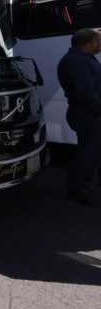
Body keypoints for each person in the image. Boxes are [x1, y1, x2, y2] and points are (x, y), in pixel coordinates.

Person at [57, 28, 101, 206]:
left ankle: (82, 185)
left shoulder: (82, 58)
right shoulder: (76, 61)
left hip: (90, 112)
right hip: (87, 114)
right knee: (88, 153)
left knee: (91, 151)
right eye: (98, 41)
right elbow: (85, 92)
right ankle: (78, 190)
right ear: (87, 43)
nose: (100, 45)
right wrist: (99, 109)